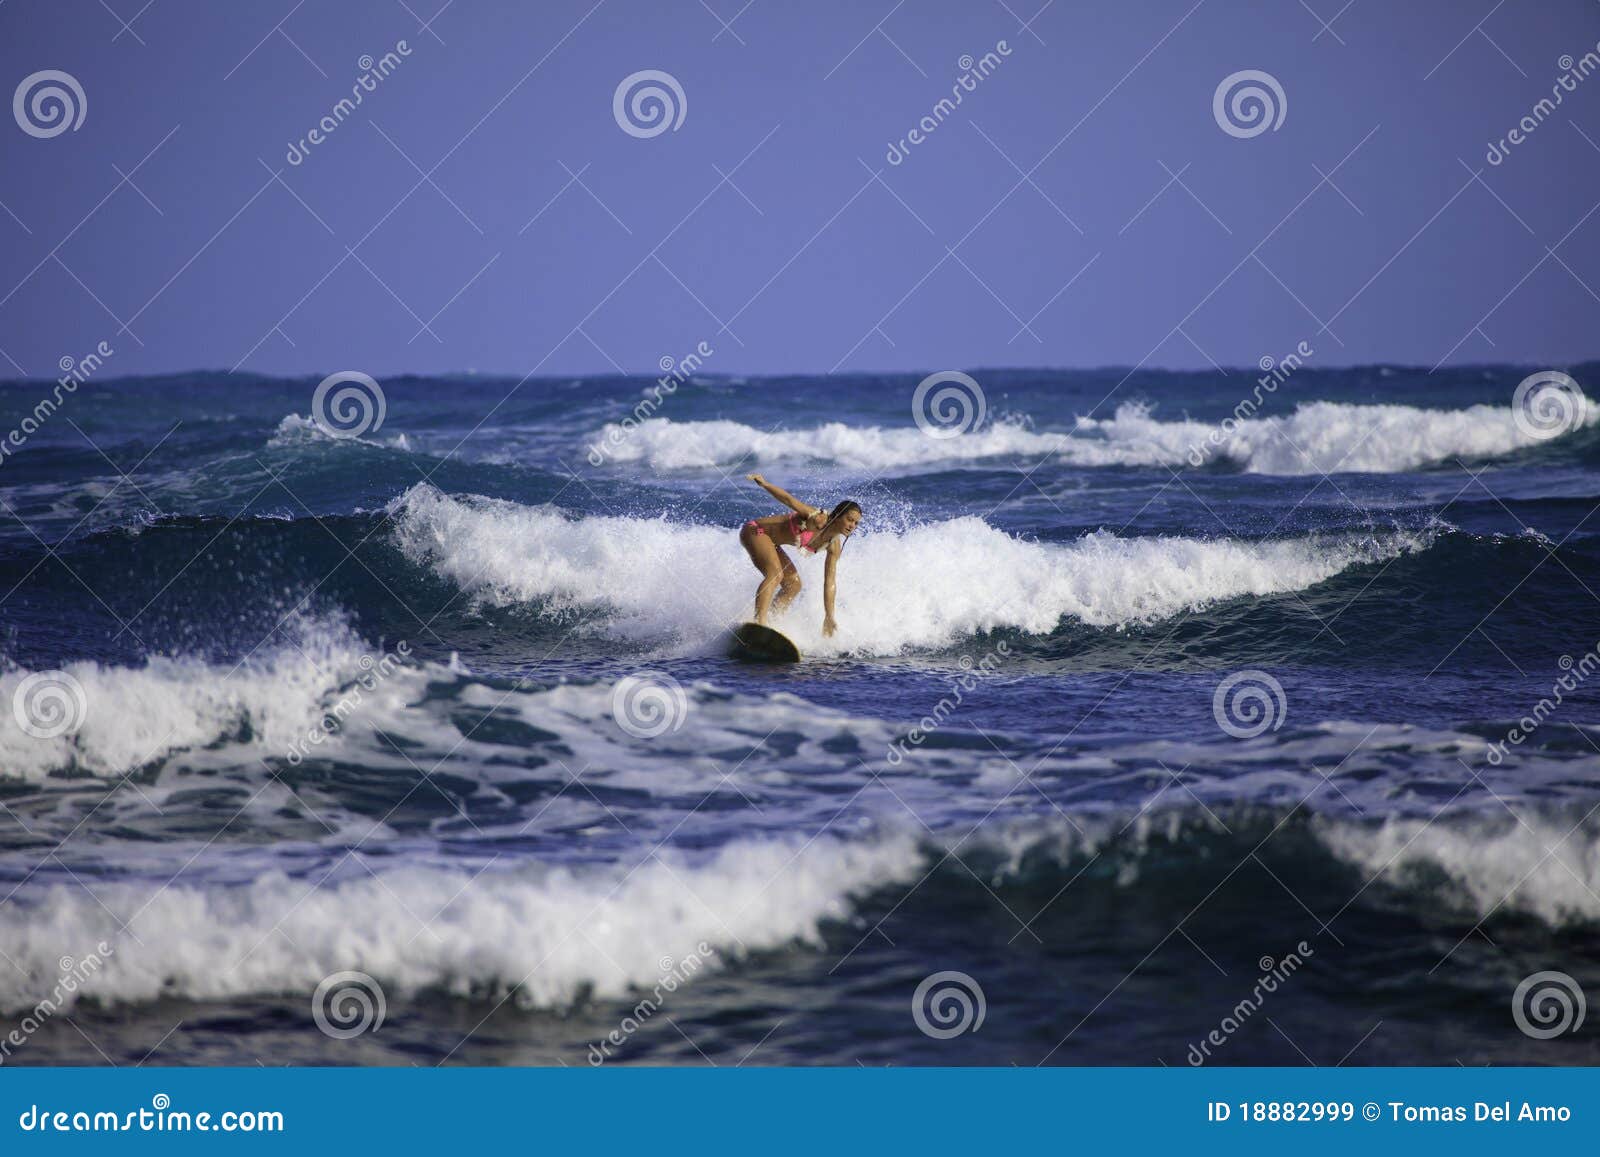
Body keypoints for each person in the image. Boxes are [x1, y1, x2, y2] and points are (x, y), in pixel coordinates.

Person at [739, 474, 861, 635]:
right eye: (850, 519)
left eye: (856, 523)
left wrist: (829, 616)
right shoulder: (817, 518)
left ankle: (772, 622)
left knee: (794, 585)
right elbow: (788, 500)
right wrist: (765, 484)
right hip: (755, 531)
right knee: (775, 574)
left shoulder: (834, 546)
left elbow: (830, 582)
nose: (852, 525)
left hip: (772, 543)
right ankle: (759, 623)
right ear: (838, 515)